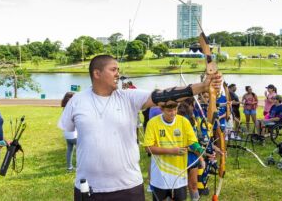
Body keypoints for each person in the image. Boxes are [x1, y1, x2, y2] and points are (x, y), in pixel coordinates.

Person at [57, 54, 222, 201]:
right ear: (97, 73)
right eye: (113, 69)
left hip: (129, 186)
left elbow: (165, 95)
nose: (118, 73)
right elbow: (70, 130)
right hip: (89, 187)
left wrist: (202, 86)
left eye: (118, 69)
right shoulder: (76, 101)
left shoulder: (128, 97)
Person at [144, 102, 206, 201]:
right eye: (169, 110)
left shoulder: (184, 121)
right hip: (159, 177)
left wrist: (199, 149)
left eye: (175, 109)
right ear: (161, 109)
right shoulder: (153, 123)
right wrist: (172, 151)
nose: (173, 113)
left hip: (179, 176)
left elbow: (192, 142)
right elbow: (148, 148)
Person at [177, 99, 205, 201]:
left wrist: (201, 158)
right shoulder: (175, 125)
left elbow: (194, 143)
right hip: (179, 159)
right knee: (179, 187)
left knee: (193, 185)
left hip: (192, 158)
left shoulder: (191, 123)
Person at [60, 92, 77, 172]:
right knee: (81, 151)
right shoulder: (73, 108)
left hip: (67, 134)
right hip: (74, 134)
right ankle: (80, 167)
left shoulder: (64, 109)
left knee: (69, 150)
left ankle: (69, 167)